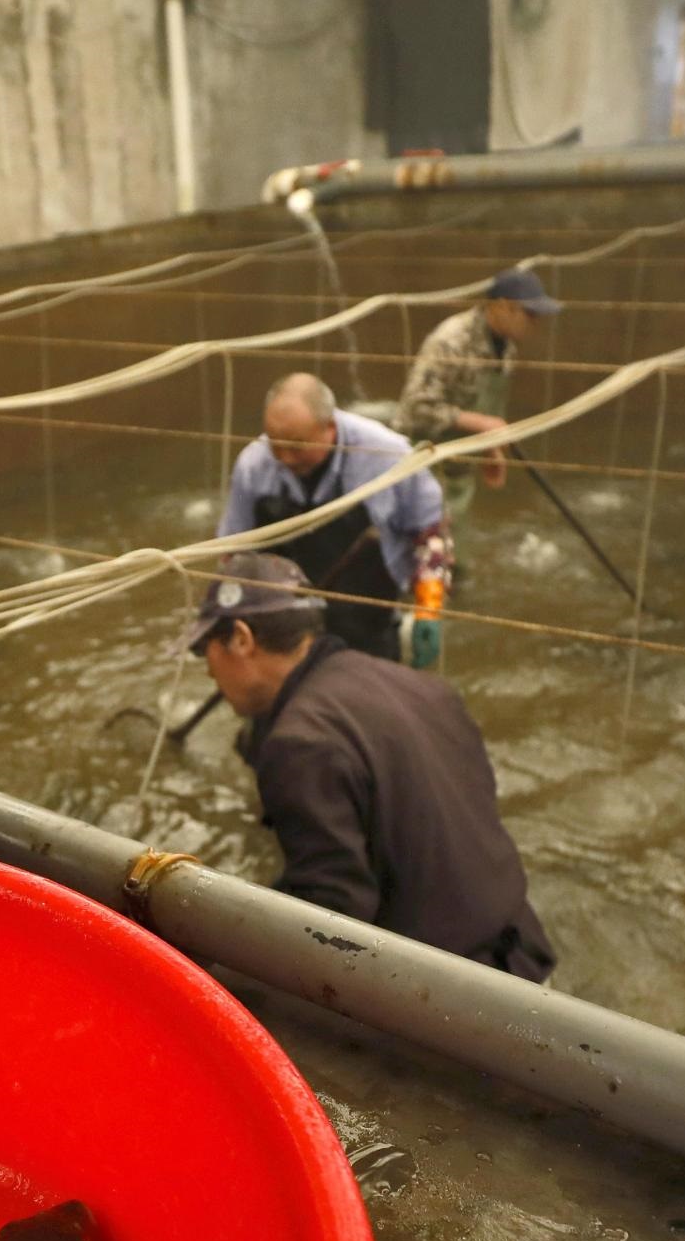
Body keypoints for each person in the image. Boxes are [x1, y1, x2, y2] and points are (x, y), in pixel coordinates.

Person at [180, 553, 554, 981]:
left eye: (204, 650)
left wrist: (222, 939)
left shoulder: (299, 742)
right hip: (526, 952)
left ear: (241, 639)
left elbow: (333, 912)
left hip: (454, 992)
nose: (209, 673)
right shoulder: (421, 686)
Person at [217, 372, 447, 665]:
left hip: (366, 623)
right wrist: (226, 619)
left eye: (296, 446)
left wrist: (428, 608)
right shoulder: (254, 465)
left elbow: (430, 535)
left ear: (329, 428)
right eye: (275, 445)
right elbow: (233, 553)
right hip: (282, 628)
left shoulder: (388, 456)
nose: (285, 458)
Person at [395, 267, 562, 523]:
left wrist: (491, 448)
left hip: (458, 471)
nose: (534, 322)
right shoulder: (451, 341)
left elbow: (486, 406)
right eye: (530, 314)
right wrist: (483, 424)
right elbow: (417, 408)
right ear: (503, 306)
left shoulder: (505, 348)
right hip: (419, 468)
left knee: (456, 541)